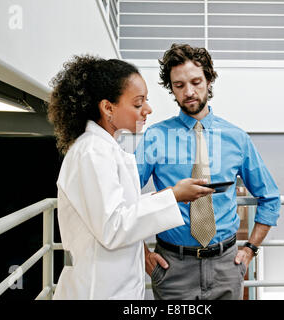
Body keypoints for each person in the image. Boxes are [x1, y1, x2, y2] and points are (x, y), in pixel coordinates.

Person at [47, 54, 214, 300]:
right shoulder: (92, 152)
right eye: (138, 104)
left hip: (117, 284)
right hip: (98, 290)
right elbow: (114, 227)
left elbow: (123, 210)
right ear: (107, 108)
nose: (148, 109)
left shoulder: (108, 149)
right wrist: (174, 196)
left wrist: (170, 195)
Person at [135, 44, 281, 300]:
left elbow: (270, 197)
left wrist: (250, 249)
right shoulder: (155, 137)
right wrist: (141, 253)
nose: (189, 92)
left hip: (227, 265)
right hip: (172, 268)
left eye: (196, 81)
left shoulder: (236, 138)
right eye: (179, 85)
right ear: (171, 89)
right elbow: (125, 199)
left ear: (209, 80)